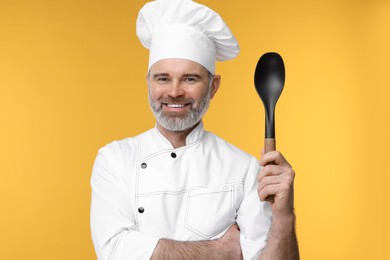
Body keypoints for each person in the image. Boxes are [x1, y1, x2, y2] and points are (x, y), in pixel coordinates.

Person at [90, 0, 299, 259]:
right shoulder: (114, 160)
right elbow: (114, 250)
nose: (175, 91)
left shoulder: (245, 170)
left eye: (190, 79)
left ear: (213, 86)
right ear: (148, 83)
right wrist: (220, 251)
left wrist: (284, 216)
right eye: (162, 78)